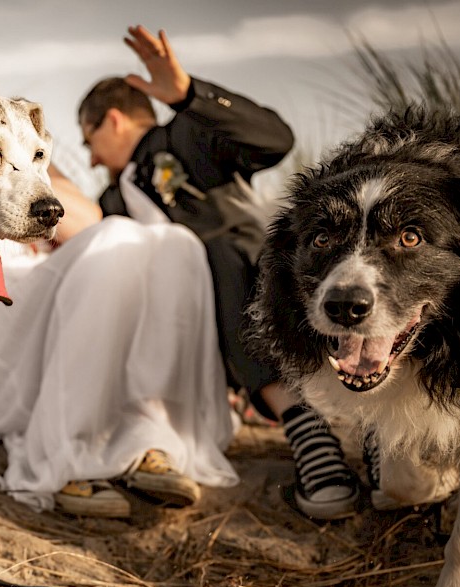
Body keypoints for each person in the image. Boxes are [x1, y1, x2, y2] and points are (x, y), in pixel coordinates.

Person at [76, 25, 360, 520]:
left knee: (212, 254)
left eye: (90, 139)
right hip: (174, 317)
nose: (92, 157)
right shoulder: (110, 200)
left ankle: (308, 428)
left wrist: (189, 97)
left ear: (115, 120)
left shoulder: (183, 134)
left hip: (246, 277)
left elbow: (276, 140)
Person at [0, 164, 240, 518]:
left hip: (51, 297)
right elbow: (93, 227)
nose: (90, 158)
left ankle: (150, 431)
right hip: (2, 306)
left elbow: (87, 219)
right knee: (115, 234)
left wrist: (36, 165)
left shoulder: (33, 173)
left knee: (178, 243)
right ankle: (69, 452)